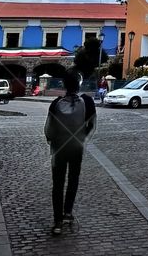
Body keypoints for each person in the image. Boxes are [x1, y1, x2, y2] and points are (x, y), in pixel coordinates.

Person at [43, 70, 96, 235]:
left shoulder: (55, 103)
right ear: (78, 84)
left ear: (64, 85)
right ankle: (68, 213)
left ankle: (57, 221)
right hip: (77, 148)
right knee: (73, 180)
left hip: (59, 149)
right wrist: (82, 140)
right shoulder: (87, 101)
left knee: (57, 184)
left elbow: (48, 129)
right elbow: (92, 125)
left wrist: (52, 141)